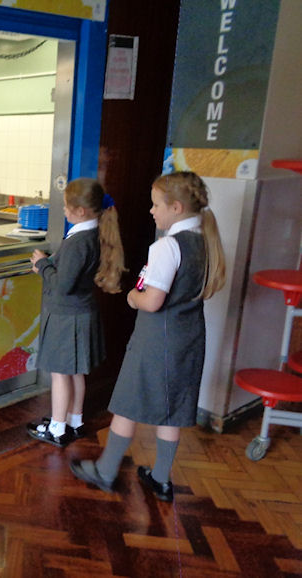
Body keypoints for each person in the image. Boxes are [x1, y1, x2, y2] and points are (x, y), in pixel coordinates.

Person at [70, 171, 226, 502]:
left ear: (176, 207)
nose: (152, 211)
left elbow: (152, 300)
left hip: (157, 341)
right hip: (190, 338)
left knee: (127, 403)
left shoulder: (167, 246)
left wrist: (131, 298)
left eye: (156, 205)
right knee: (172, 409)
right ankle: (161, 479)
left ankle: (106, 470)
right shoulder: (205, 239)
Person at [26, 178, 125, 448]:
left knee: (60, 374)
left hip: (66, 317)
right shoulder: (93, 235)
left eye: (66, 206)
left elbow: (62, 286)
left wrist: (43, 264)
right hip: (81, 313)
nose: (64, 211)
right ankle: (75, 420)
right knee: (76, 373)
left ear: (80, 211)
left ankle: (58, 429)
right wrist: (49, 266)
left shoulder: (78, 242)